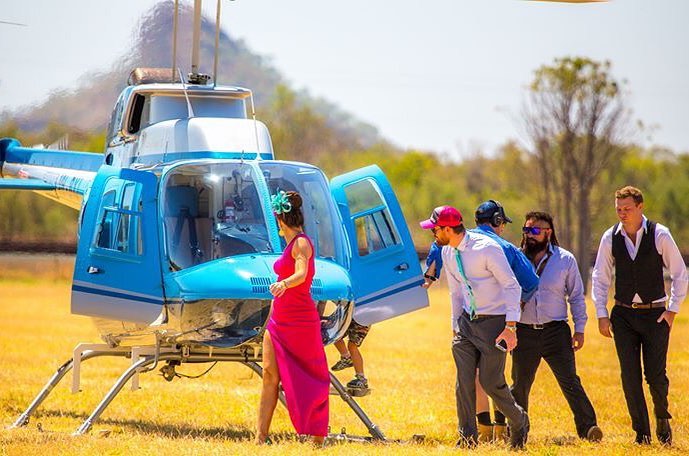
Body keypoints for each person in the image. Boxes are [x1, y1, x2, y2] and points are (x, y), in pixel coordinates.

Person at [424, 200, 539, 442]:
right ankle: (467, 438)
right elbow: (455, 293)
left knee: (490, 382)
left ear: (446, 229)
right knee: (463, 382)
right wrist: (455, 326)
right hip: (467, 323)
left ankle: (519, 420)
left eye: (434, 229)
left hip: (494, 324)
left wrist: (510, 327)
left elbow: (512, 286)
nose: (433, 234)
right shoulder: (447, 251)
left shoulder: (487, 248)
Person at [591, 186, 688, 445]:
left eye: (628, 209)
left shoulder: (660, 234)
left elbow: (680, 273)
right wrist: (601, 313)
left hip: (655, 314)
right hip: (622, 314)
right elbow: (600, 278)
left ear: (640, 207)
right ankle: (641, 433)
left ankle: (661, 416)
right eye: (619, 209)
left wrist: (672, 309)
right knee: (629, 375)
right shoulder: (610, 237)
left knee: (655, 375)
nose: (623, 214)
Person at [513, 211, 603, 441]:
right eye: (526, 230)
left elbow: (576, 297)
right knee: (520, 385)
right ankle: (518, 431)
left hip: (556, 332)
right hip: (524, 332)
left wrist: (580, 328)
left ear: (548, 233)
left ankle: (588, 428)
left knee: (570, 381)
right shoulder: (515, 259)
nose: (529, 235)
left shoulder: (565, 259)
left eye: (534, 231)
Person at [256, 190, 329, 445]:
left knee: (309, 375)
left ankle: (317, 435)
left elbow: (301, 273)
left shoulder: (301, 243)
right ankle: (260, 437)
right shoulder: (289, 244)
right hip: (279, 320)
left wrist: (284, 284)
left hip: (300, 321)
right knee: (269, 375)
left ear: (279, 219)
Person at [330, 319, 371, 396]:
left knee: (352, 346)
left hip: (361, 319)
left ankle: (361, 379)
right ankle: (347, 358)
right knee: (334, 335)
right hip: (348, 315)